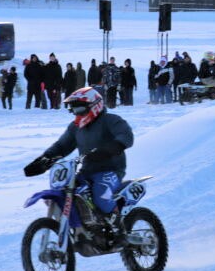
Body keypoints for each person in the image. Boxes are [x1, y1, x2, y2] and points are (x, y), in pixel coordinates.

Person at [25, 86, 135, 235]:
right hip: (87, 172)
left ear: (94, 105)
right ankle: (82, 228)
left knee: (100, 194)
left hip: (111, 170)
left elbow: (126, 136)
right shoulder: (76, 127)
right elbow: (61, 146)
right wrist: (43, 161)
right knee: (65, 191)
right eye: (73, 109)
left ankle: (119, 228)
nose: (76, 113)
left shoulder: (111, 120)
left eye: (79, 109)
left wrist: (110, 149)